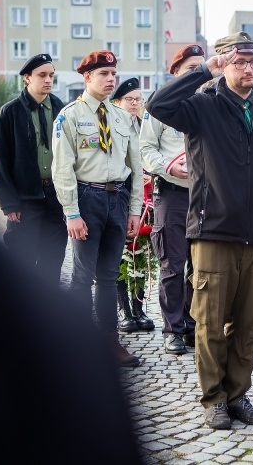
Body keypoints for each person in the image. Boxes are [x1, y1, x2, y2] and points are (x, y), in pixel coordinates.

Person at [0, 186, 144, 464]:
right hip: (47, 201)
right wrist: (14, 202)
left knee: (74, 277)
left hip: (84, 200)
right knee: (66, 277)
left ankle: (108, 337)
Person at [147, 31, 253, 430]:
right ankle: (214, 398)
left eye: (252, 61)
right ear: (224, 63)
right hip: (213, 232)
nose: (248, 69)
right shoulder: (201, 106)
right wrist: (204, 70)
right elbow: (159, 104)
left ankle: (239, 395)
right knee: (209, 324)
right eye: (239, 61)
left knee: (248, 327)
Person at [52, 50, 144, 368]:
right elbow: (62, 167)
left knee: (108, 276)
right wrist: (71, 212)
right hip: (86, 197)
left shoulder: (122, 117)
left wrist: (134, 210)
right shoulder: (70, 116)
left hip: (117, 199)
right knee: (82, 276)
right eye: (103, 74)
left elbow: (136, 166)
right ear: (87, 77)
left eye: (113, 74)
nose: (110, 79)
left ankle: (109, 341)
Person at [140, 43, 205, 355]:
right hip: (173, 195)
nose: (199, 74)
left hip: (205, 197)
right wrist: (166, 165)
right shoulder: (160, 106)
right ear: (177, 73)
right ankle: (173, 330)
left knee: (202, 267)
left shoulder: (209, 102)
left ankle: (194, 326)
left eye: (202, 68)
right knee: (172, 266)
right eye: (192, 69)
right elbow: (145, 147)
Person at [0, 53, 68, 288]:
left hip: (56, 199)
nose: (48, 80)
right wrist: (9, 203)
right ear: (27, 78)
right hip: (25, 200)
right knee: (22, 261)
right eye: (42, 75)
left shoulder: (61, 109)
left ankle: (46, 316)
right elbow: (0, 160)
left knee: (52, 260)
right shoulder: (10, 112)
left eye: (51, 75)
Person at [111, 77, 156, 334]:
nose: (135, 104)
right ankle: (124, 311)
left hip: (145, 197)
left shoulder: (143, 125)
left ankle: (139, 309)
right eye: (130, 100)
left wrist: (150, 173)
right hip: (119, 196)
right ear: (118, 102)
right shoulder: (112, 124)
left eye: (139, 100)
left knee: (140, 255)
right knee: (119, 256)